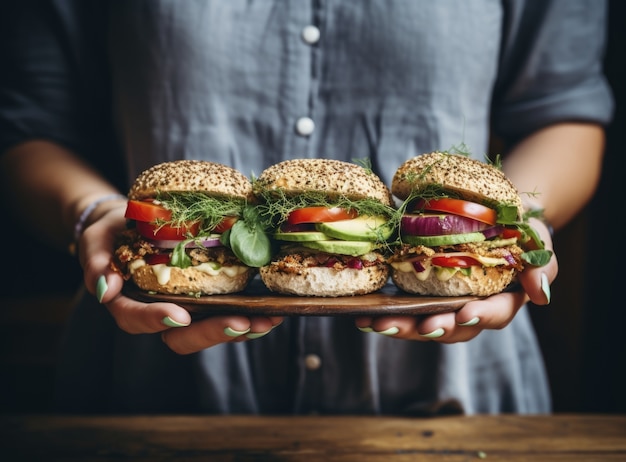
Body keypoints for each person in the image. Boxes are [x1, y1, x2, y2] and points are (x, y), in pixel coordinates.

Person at [0, 0, 613, 415]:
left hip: (456, 381)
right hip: (152, 385)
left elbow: (563, 108)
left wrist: (521, 223)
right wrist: (91, 210)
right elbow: (29, 125)